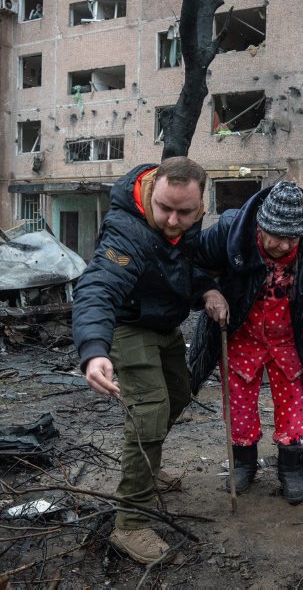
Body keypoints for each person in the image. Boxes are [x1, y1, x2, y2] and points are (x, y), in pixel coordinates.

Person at [72, 157, 226, 565]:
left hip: (164, 324)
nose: (173, 221)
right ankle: (130, 522)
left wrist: (207, 290)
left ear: (201, 206)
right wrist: (94, 350)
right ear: (152, 191)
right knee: (150, 412)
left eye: (184, 212)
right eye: (164, 208)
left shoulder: (188, 222)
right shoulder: (127, 231)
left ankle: (147, 464)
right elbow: (98, 288)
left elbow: (187, 265)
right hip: (128, 325)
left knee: (178, 394)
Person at [188, 181, 303, 504]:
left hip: (288, 336)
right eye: (274, 235)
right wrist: (209, 292)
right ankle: (243, 464)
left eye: (291, 238)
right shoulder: (232, 230)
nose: (282, 245)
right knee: (238, 403)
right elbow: (193, 262)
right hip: (240, 333)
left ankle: (291, 469)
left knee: (293, 404)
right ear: (260, 224)